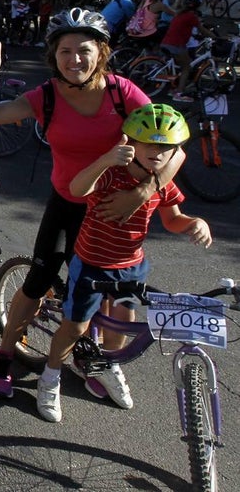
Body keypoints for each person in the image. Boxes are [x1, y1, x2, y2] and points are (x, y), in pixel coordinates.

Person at [0, 9, 183, 400]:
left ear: (101, 52)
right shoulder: (47, 96)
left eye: (84, 51)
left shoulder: (124, 94)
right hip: (67, 204)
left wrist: (143, 191)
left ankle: (96, 359)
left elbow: (174, 147)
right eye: (65, 51)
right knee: (37, 283)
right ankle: (4, 354)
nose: (74, 60)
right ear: (53, 56)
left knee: (106, 293)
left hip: (113, 209)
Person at [36, 104, 211, 422]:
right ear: (132, 143)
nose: (157, 154)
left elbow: (172, 220)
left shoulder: (161, 183)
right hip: (91, 263)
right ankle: (50, 377)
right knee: (75, 326)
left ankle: (106, 365)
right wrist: (105, 159)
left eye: (166, 148)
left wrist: (194, 223)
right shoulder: (112, 175)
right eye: (149, 144)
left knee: (120, 326)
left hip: (130, 266)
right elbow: (77, 189)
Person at [161, 0, 216, 102]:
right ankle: (179, 93)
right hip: (176, 45)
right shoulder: (192, 17)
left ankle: (174, 89)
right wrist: (216, 37)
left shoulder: (179, 14)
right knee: (186, 68)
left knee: (180, 66)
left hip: (166, 42)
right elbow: (202, 30)